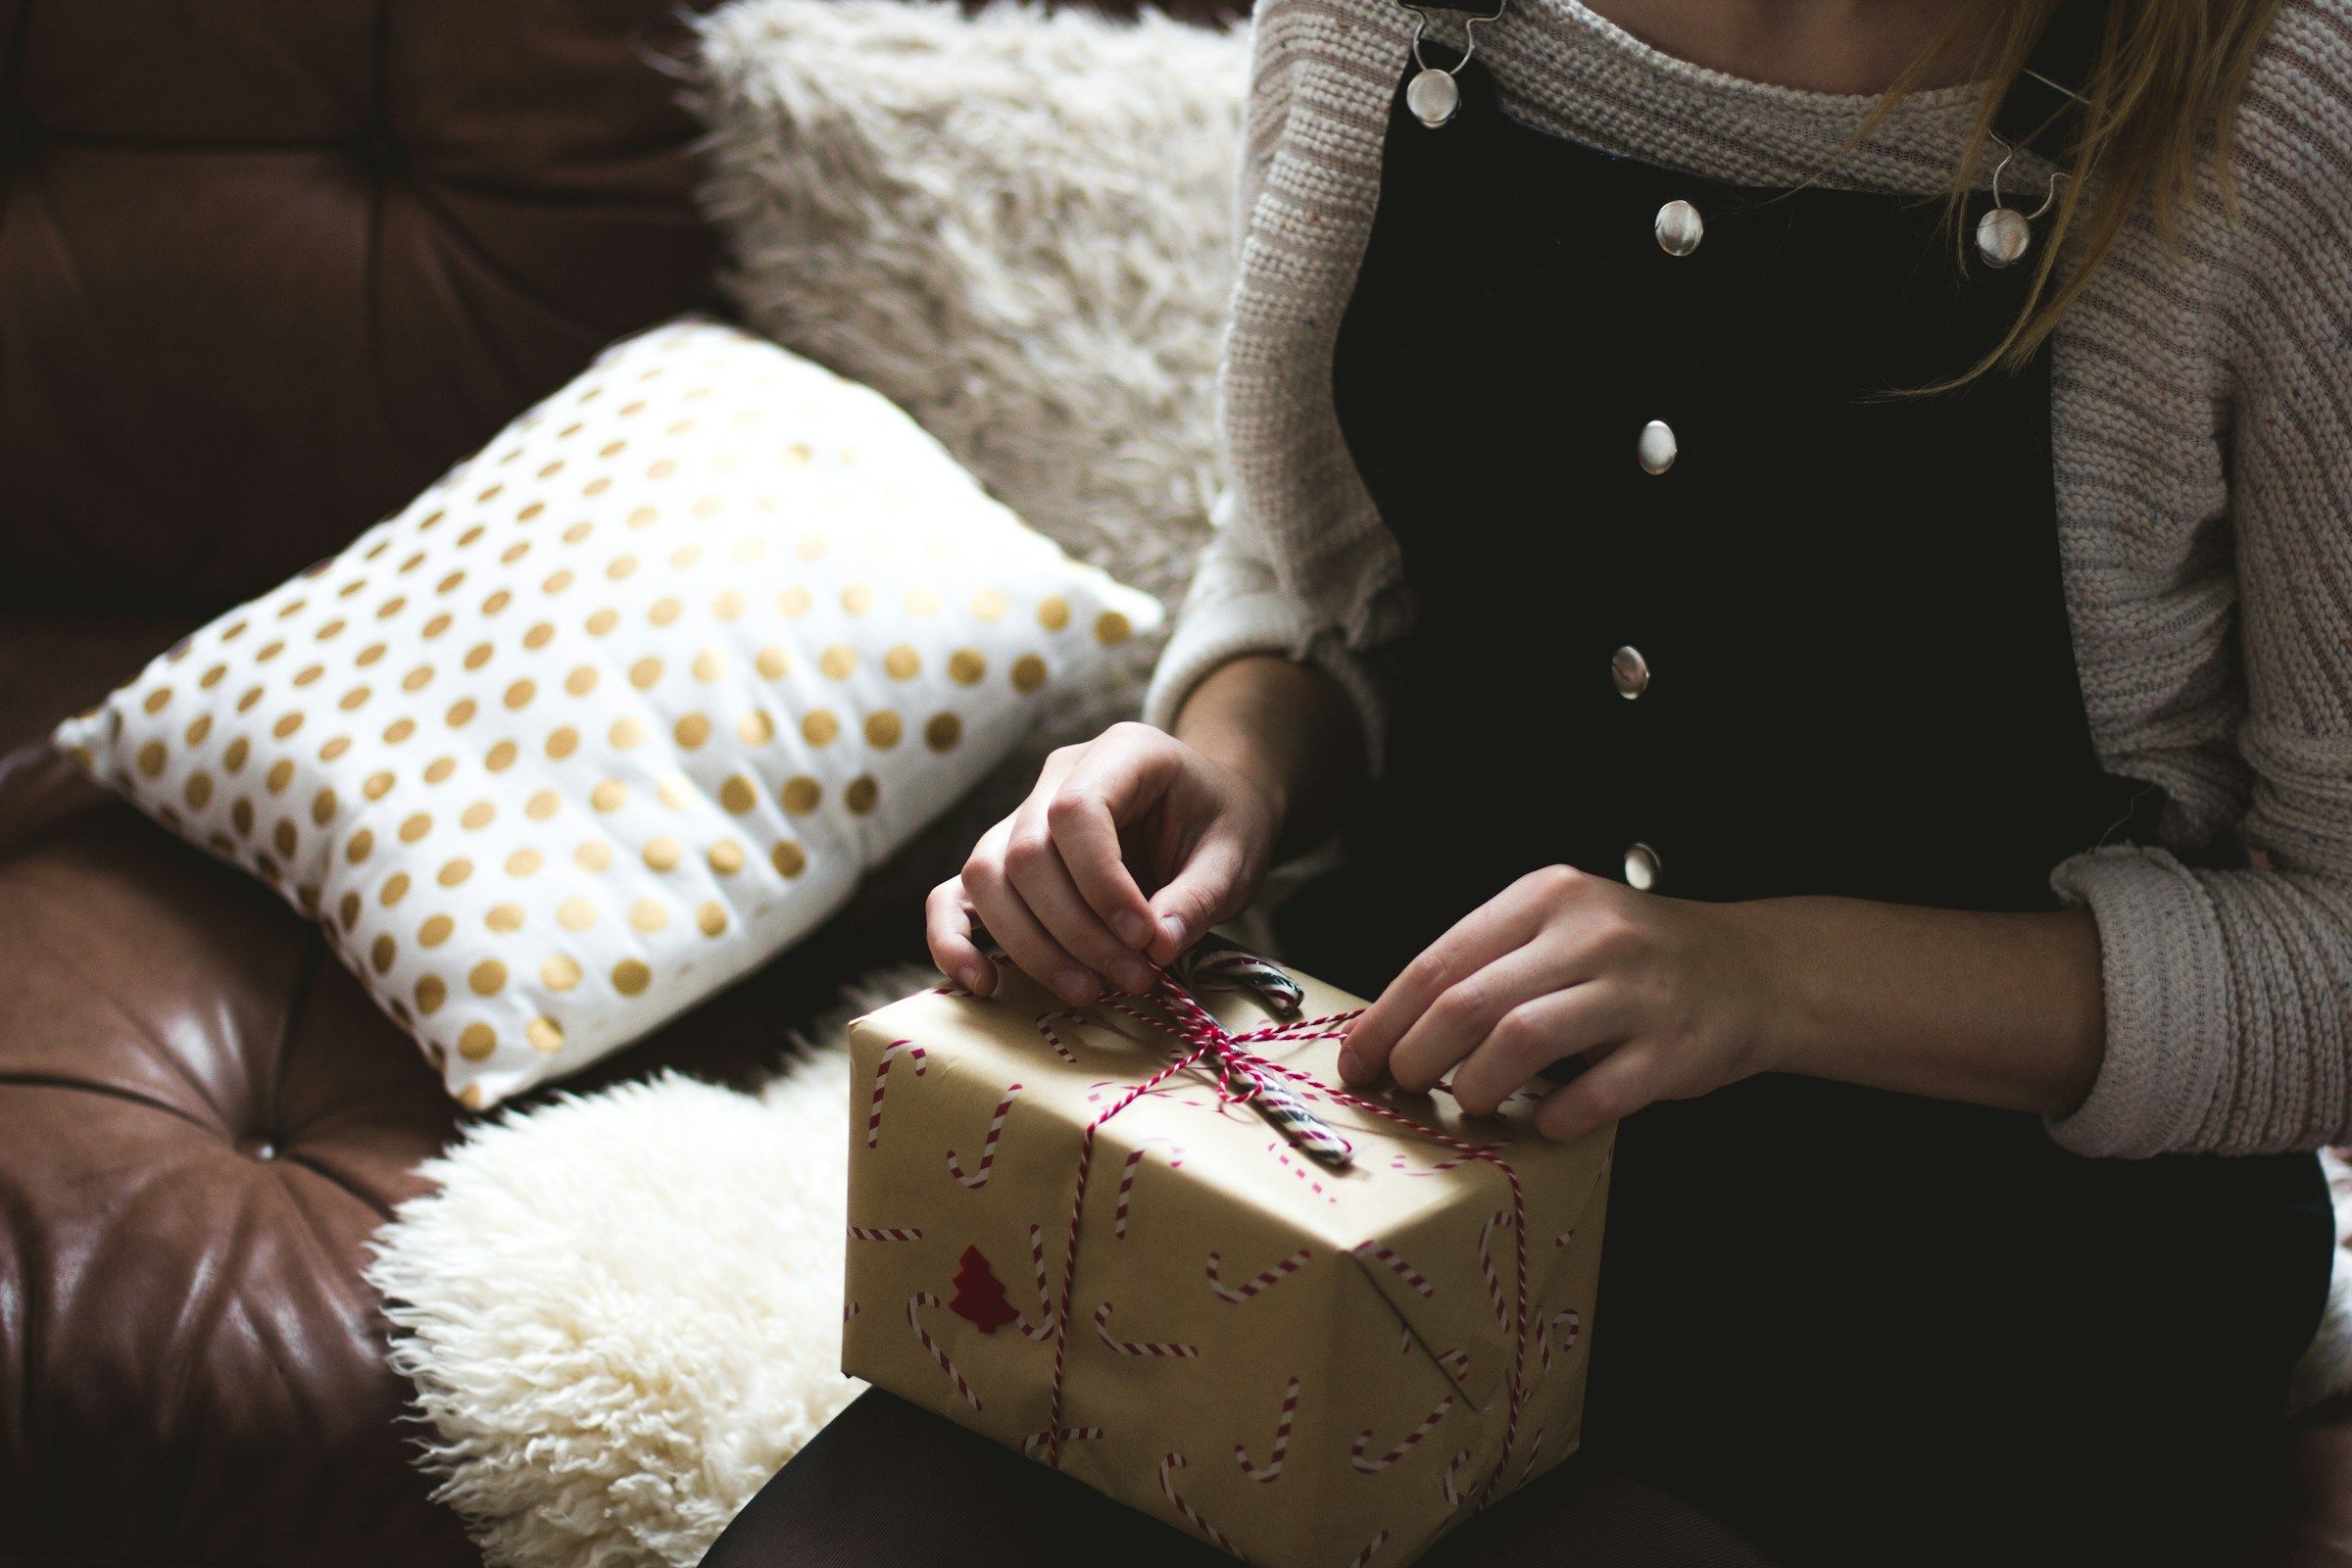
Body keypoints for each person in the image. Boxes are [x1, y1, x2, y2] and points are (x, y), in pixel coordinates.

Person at [921, 0, 2352, 1560]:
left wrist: (1764, 978)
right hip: (1384, 1156)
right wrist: (1230, 769)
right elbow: (1303, 559)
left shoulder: (2287, 99)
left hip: (1980, 1288)